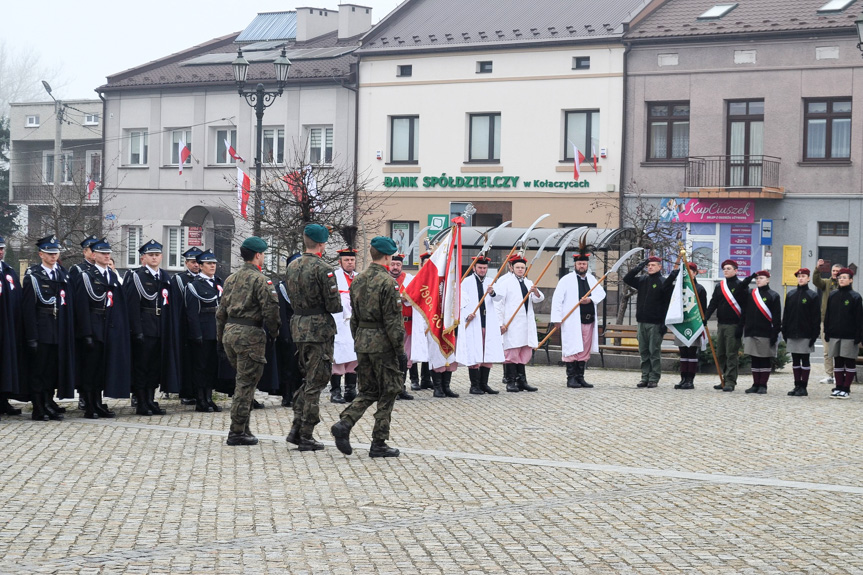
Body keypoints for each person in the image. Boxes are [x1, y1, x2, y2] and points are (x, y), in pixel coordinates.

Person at [331, 236, 406, 458]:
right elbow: (393, 321)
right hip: (382, 343)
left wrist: (359, 339)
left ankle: (345, 423)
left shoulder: (359, 280)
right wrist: (399, 349)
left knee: (369, 390)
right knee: (390, 388)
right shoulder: (388, 283)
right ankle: (379, 442)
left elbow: (353, 317)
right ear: (387, 256)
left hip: (363, 341)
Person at [216, 237, 280, 445]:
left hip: (230, 333)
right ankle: (236, 432)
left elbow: (220, 312)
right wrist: (274, 333)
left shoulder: (230, 279)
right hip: (249, 334)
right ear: (258, 255)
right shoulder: (261, 280)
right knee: (245, 384)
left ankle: (243, 426)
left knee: (243, 381)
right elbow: (271, 310)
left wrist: (220, 337)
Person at [284, 224, 343, 451]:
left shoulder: (292, 266)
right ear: (322, 244)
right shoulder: (324, 268)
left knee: (308, 379)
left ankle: (297, 428)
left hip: (299, 325)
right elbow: (334, 304)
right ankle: (306, 434)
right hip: (319, 329)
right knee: (316, 381)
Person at [71, 238, 130, 418]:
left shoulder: (111, 276)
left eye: (108, 253)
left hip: (109, 328)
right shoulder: (86, 275)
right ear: (94, 255)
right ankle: (90, 404)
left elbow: (118, 304)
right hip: (94, 326)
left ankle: (98, 402)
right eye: (103, 253)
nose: (106, 256)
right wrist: (86, 333)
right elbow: (81, 306)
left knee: (103, 369)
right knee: (91, 368)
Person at [21, 235, 76, 420]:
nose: (53, 256)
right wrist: (32, 337)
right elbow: (28, 309)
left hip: (57, 330)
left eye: (55, 253)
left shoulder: (62, 275)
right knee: (39, 371)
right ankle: (38, 406)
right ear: (41, 255)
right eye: (49, 253)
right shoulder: (34, 276)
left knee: (52, 370)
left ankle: (47, 402)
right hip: (41, 329)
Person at [123, 240, 179, 416]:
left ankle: (150, 399)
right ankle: (141, 401)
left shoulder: (164, 277)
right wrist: (137, 330)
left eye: (157, 255)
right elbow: (132, 306)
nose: (154, 258)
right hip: (144, 327)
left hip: (160, 327)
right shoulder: (136, 276)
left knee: (155, 367)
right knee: (142, 366)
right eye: (151, 255)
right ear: (143, 258)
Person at [551, 249, 606, 389]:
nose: (582, 266)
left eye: (584, 264)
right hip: (572, 321)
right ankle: (571, 378)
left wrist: (590, 299)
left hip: (588, 320)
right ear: (574, 265)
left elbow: (601, 293)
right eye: (580, 264)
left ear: (587, 265)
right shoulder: (566, 280)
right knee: (572, 347)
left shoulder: (592, 279)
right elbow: (557, 299)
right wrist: (557, 319)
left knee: (584, 349)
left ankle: (580, 377)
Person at [495, 254, 544, 392]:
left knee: (524, 351)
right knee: (512, 352)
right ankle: (510, 381)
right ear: (512, 268)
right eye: (518, 267)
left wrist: (536, 292)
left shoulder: (528, 282)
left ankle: (521, 381)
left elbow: (538, 299)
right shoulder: (505, 283)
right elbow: (498, 304)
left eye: (522, 267)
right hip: (511, 323)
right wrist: (500, 324)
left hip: (525, 323)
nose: (520, 270)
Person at [704, 260, 754, 392]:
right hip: (721, 324)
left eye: (728, 268)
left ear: (736, 270)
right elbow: (713, 302)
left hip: (734, 325)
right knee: (721, 353)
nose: (725, 270)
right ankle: (724, 379)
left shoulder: (741, 286)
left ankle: (730, 381)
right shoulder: (720, 286)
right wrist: (706, 317)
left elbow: (745, 308)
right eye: (724, 269)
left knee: (731, 354)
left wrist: (740, 326)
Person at [457, 255, 504, 394]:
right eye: (480, 268)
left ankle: (484, 384)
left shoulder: (491, 282)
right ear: (474, 268)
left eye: (484, 268)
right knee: (474, 351)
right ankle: (474, 385)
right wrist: (466, 315)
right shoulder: (466, 282)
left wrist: (492, 292)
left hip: (488, 322)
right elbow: (460, 301)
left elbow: (500, 297)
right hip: (473, 321)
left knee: (487, 352)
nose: (482, 270)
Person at [185, 249, 224, 413]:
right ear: (200, 266)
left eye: (214, 263)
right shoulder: (194, 285)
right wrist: (197, 334)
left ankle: (209, 397)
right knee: (200, 367)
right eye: (209, 263)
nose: (212, 266)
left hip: (216, 330)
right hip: (203, 330)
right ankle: (200, 399)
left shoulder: (218, 283)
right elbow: (192, 313)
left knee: (212, 367)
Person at [623, 256, 669, 388]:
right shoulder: (643, 280)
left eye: (653, 265)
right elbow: (627, 279)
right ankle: (645, 376)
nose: (650, 267)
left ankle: (654, 377)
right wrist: (639, 267)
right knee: (643, 351)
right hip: (642, 321)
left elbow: (666, 304)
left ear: (660, 267)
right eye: (648, 265)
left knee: (653, 351)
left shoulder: (662, 281)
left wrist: (663, 323)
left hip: (655, 323)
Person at [665, 262, 707, 390]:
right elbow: (666, 288)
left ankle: (690, 379)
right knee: (683, 352)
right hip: (681, 323)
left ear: (694, 274)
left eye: (690, 272)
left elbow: (703, 308)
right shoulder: (678, 289)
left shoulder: (699, 289)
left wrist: (702, 323)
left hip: (693, 323)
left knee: (691, 352)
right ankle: (683, 378)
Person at [738, 270, 781, 394]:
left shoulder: (773, 295)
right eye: (757, 279)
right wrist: (749, 277)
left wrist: (775, 333)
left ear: (767, 280)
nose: (758, 280)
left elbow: (777, 316)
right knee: (755, 359)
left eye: (761, 278)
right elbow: (740, 289)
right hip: (751, 330)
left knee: (764, 359)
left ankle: (763, 384)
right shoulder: (751, 293)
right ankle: (755, 384)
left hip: (766, 332)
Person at [823, 267, 863, 399]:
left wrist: (859, 335)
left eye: (844, 278)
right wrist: (827, 331)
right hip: (835, 334)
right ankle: (838, 387)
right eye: (840, 278)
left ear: (851, 280)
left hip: (849, 335)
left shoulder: (855, 297)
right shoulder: (833, 295)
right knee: (838, 361)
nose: (841, 280)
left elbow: (859, 318)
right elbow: (828, 314)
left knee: (849, 362)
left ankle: (846, 388)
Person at [171, 246, 203, 405]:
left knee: (200, 362)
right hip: (185, 325)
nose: (196, 265)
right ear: (186, 263)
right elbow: (178, 305)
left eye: (198, 262)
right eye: (192, 262)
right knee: (186, 360)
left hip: (201, 325)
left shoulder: (205, 279)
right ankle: (186, 392)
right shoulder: (180, 279)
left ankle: (199, 391)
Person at [781, 268, 821, 397]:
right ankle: (797, 384)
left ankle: (804, 386)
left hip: (806, 333)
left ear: (808, 278)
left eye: (803, 276)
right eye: (799, 276)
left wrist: (814, 335)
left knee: (805, 359)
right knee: (795, 360)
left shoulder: (812, 295)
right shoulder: (791, 294)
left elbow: (816, 317)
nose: (801, 278)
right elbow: (786, 314)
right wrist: (784, 330)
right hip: (792, 332)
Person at [329, 248, 358, 404]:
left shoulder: (359, 278)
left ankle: (350, 389)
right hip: (340, 322)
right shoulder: (334, 277)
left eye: (352, 260)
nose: (350, 263)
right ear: (340, 262)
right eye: (346, 260)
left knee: (354, 356)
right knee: (339, 357)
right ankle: (335, 391)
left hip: (355, 323)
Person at [0, 235, 24, 417]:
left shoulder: (8, 271)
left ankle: (4, 401)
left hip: (8, 326)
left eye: (2, 249)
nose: (0, 252)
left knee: (6, 364)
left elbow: (18, 298)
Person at [276, 254, 303, 408]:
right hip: (289, 330)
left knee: (301, 365)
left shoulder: (305, 285)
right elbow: (280, 313)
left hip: (303, 330)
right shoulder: (282, 287)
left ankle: (299, 394)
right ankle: (287, 395)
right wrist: (284, 334)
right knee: (288, 365)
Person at [388, 253, 415, 400]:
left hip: (406, 323)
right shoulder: (384, 279)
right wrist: (400, 297)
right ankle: (391, 388)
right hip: (390, 324)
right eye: (393, 264)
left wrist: (407, 298)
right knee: (392, 357)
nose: (395, 267)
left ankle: (401, 387)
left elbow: (416, 296)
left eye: (398, 265)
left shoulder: (409, 278)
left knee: (405, 358)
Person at [813, 259, 842, 385]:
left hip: (840, 322)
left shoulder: (844, 285)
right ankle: (829, 375)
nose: (835, 273)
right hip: (825, 321)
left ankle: (840, 374)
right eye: (833, 271)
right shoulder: (826, 283)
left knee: (840, 351)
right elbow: (816, 281)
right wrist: (817, 269)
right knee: (827, 351)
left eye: (837, 271)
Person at [410, 251, 432, 391]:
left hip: (431, 318)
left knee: (429, 350)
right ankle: (414, 380)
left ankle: (426, 378)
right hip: (417, 318)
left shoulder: (436, 281)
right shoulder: (414, 280)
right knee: (415, 350)